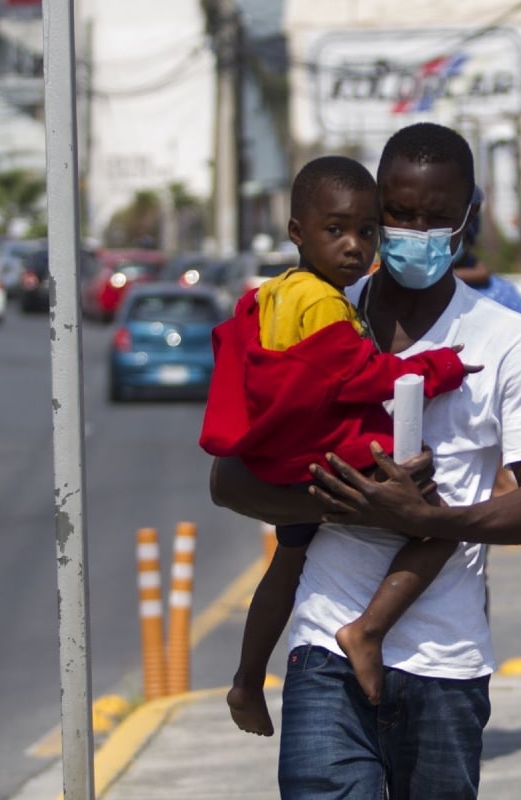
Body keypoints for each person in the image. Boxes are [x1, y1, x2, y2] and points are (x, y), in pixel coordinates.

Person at [209, 122, 521, 799]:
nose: (416, 231)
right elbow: (228, 478)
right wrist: (346, 502)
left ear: (472, 216)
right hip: (323, 647)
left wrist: (424, 516)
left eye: (438, 218)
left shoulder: (506, 341)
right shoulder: (316, 314)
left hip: (447, 663)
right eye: (400, 214)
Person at [199, 155, 477, 731]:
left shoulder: (271, 294)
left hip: (277, 457)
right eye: (336, 231)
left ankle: (247, 681)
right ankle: (366, 631)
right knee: (438, 522)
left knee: (289, 559)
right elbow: (365, 378)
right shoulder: (325, 303)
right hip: (323, 455)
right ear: (297, 232)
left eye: (366, 232)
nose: (355, 246)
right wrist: (441, 367)